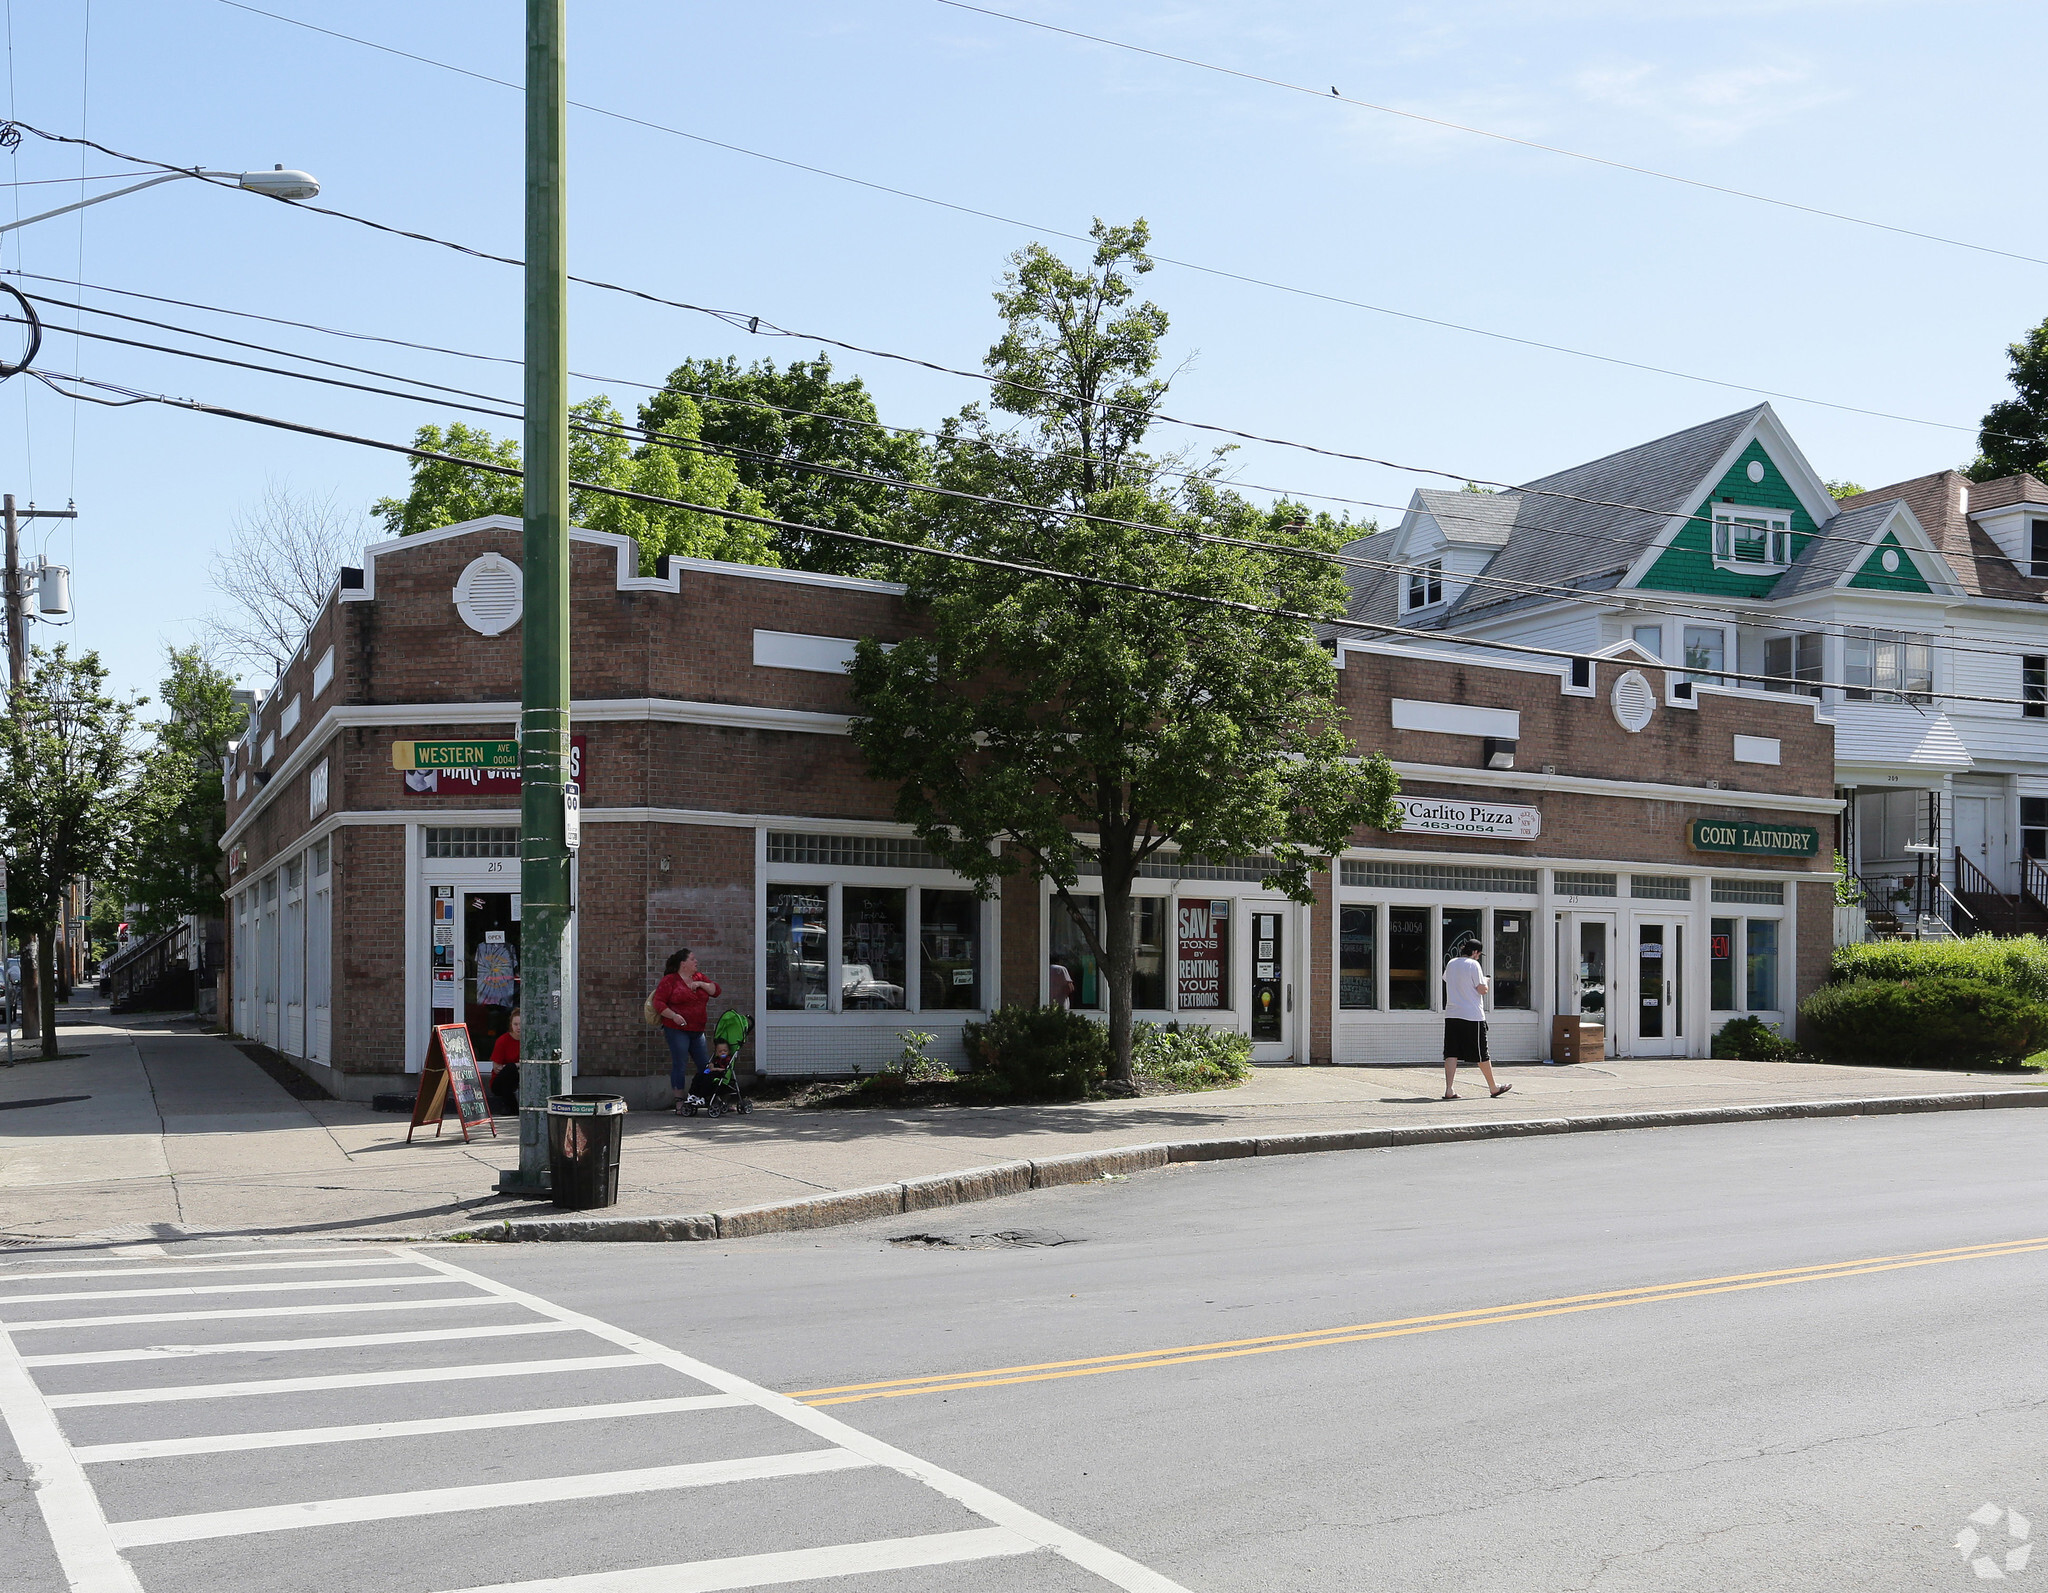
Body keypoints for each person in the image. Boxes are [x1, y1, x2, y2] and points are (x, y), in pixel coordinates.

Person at [1442, 936, 1510, 1101]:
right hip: (1472, 1015)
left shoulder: (1451, 963)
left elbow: (1447, 980)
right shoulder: (1474, 965)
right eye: (1478, 954)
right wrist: (1486, 981)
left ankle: (1449, 1089)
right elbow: (1481, 990)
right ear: (1474, 952)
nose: (1478, 956)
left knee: (1451, 1052)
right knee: (1481, 1053)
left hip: (1452, 1014)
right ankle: (1493, 1087)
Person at [652, 948, 720, 1113]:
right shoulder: (670, 980)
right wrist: (674, 1016)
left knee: (705, 1065)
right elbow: (658, 1003)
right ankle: (679, 1101)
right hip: (677, 1029)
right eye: (692, 959)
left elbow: (716, 991)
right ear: (683, 964)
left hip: (698, 1031)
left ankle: (710, 1097)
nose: (696, 961)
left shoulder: (699, 977)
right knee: (680, 1063)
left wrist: (701, 984)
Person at [488, 1006, 521, 1116]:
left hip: (520, 1078)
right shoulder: (502, 1041)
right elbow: (497, 1068)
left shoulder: (529, 1041)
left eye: (521, 1024)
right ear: (511, 1025)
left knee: (511, 1068)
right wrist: (517, 1065)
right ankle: (512, 1108)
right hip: (500, 1082)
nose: (518, 1027)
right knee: (510, 1069)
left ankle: (511, 1108)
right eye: (515, 1024)